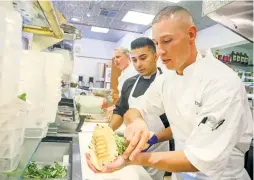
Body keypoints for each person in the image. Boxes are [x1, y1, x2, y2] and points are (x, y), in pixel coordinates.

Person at [86, 6, 253, 180]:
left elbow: (201, 159)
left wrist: (131, 159)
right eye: (157, 43)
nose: (160, 51)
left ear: (191, 35)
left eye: (167, 41)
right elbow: (135, 110)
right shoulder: (167, 80)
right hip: (180, 174)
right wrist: (137, 122)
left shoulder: (222, 83)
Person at [109, 37, 172, 180]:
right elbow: (121, 110)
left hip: (157, 146)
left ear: (155, 57)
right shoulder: (129, 83)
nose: (138, 64)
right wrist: (108, 130)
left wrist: (152, 140)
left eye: (143, 58)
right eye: (134, 60)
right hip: (131, 143)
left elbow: (176, 124)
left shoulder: (167, 82)